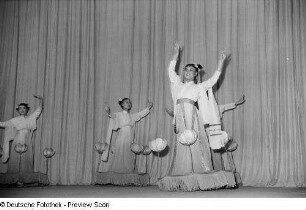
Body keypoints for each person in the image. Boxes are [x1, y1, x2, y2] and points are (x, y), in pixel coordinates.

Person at [157, 42, 236, 191]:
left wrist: (221, 63)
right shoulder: (177, 84)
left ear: (196, 74)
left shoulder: (198, 87)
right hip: (180, 117)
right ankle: (185, 174)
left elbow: (213, 80)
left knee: (196, 143)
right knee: (182, 143)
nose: (187, 72)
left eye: (191, 70)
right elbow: (170, 70)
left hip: (193, 116)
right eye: (185, 70)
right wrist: (176, 54)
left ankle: (202, 172)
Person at [96, 98, 153, 186]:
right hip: (122, 136)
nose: (129, 103)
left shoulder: (132, 116)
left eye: (130, 102)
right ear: (122, 104)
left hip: (130, 137)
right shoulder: (118, 114)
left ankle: (128, 175)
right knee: (120, 153)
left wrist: (148, 108)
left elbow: (140, 114)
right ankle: (117, 176)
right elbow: (113, 116)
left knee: (129, 154)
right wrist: (108, 111)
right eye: (127, 102)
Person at [0, 95, 45, 185]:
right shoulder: (14, 120)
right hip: (17, 139)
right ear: (18, 110)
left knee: (27, 158)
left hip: (27, 140)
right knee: (16, 158)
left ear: (27, 110)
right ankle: (15, 180)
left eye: (24, 108)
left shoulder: (31, 118)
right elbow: (3, 124)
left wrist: (41, 100)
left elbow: (38, 110)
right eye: (20, 108)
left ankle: (26, 179)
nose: (22, 110)